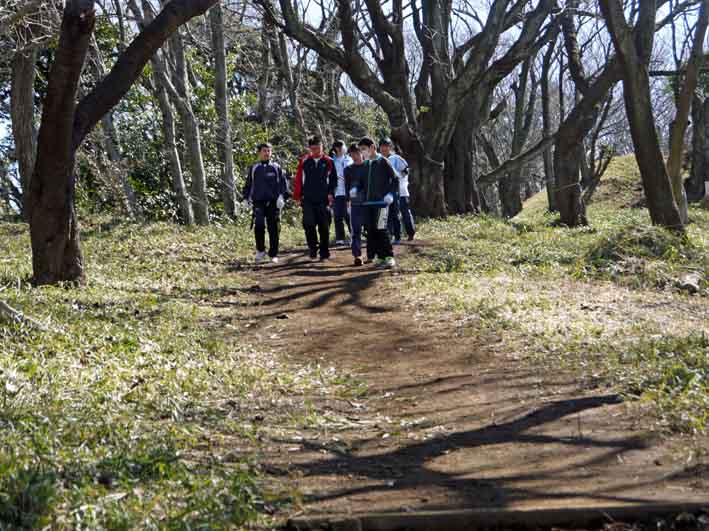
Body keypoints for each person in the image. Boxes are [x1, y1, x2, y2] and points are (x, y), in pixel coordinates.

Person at [356, 137, 398, 268]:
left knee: (381, 229)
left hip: (381, 203)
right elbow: (360, 182)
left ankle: (389, 256)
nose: (363, 152)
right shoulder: (365, 165)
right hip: (368, 204)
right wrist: (355, 188)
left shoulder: (383, 162)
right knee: (372, 230)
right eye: (361, 150)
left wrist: (390, 194)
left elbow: (395, 179)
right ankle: (380, 258)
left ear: (372, 147)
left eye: (364, 149)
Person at [293, 136, 337, 260]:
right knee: (308, 224)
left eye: (318, 148)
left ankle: (324, 250)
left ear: (322, 147)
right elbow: (298, 180)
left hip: (323, 199)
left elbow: (333, 180)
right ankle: (313, 247)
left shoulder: (328, 161)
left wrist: (330, 193)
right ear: (310, 148)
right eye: (313, 149)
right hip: (307, 199)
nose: (316, 151)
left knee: (324, 226)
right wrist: (297, 196)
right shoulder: (304, 161)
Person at [243, 142, 287, 264]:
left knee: (273, 227)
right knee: (259, 225)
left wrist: (281, 197)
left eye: (269, 151)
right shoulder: (254, 168)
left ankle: (273, 253)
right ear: (259, 152)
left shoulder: (276, 167)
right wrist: (246, 198)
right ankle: (260, 250)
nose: (267, 153)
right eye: (264, 151)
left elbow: (283, 184)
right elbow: (248, 185)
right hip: (258, 202)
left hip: (273, 202)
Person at [379, 138, 415, 243]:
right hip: (388, 193)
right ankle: (392, 235)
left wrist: (398, 177)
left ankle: (410, 233)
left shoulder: (396, 158)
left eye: (386, 146)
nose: (383, 148)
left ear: (390, 147)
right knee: (390, 215)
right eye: (381, 146)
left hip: (401, 191)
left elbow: (406, 169)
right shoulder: (379, 159)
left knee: (405, 213)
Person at [344, 143, 369, 266]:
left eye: (357, 153)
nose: (355, 156)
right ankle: (357, 255)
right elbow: (346, 186)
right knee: (356, 230)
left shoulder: (368, 166)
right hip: (355, 204)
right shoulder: (348, 169)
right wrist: (348, 199)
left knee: (371, 229)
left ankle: (371, 254)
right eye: (352, 154)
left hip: (369, 203)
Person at [331, 140, 352, 245]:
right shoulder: (332, 161)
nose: (342, 148)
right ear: (336, 148)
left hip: (349, 192)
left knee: (349, 215)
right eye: (340, 146)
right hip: (337, 192)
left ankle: (354, 235)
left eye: (343, 145)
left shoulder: (349, 159)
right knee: (338, 215)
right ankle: (340, 238)